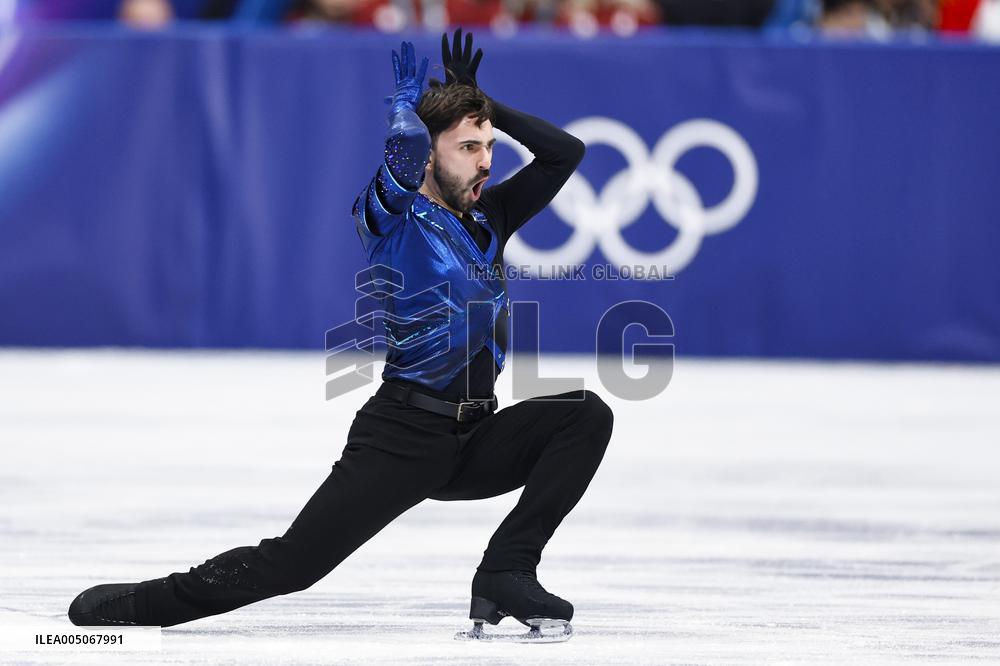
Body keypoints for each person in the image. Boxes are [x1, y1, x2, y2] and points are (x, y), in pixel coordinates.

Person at [67, 29, 614, 641]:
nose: (486, 160)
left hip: (477, 433)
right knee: (292, 564)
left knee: (584, 415)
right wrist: (405, 121)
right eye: (468, 147)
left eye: (489, 146)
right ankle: (145, 605)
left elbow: (565, 153)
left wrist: (487, 105)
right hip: (404, 439)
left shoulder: (492, 216)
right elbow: (403, 160)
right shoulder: (390, 218)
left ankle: (507, 569)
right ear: (432, 156)